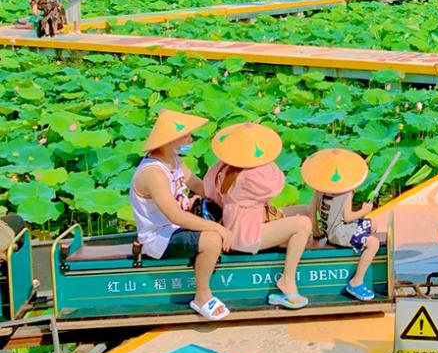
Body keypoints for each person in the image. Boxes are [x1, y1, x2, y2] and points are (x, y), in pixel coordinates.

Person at [130, 109, 232, 320]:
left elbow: (197, 185)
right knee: (212, 239)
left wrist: (229, 198)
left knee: (220, 215)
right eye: (186, 135)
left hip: (176, 228)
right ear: (169, 140)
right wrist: (217, 227)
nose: (191, 139)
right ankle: (202, 296)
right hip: (159, 237)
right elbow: (175, 216)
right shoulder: (154, 173)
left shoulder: (174, 161)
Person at [203, 122, 312, 309]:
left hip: (237, 224)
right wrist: (267, 156)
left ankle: (303, 245)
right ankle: (288, 280)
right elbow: (276, 185)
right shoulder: (249, 176)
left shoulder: (221, 168)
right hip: (246, 237)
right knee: (303, 223)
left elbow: (209, 191)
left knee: (302, 209)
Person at [301, 148, 380, 301]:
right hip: (341, 233)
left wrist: (317, 233)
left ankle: (359, 250)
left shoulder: (320, 188)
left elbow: (311, 212)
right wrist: (365, 210)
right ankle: (356, 281)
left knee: (373, 224)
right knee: (374, 243)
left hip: (329, 231)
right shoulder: (346, 190)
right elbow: (349, 217)